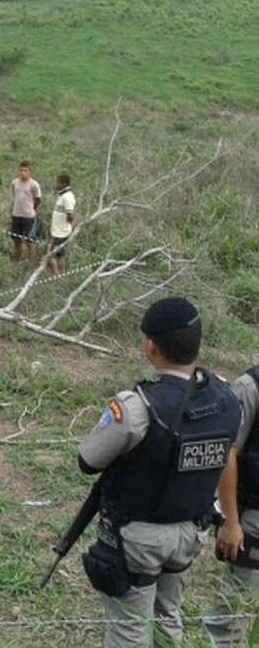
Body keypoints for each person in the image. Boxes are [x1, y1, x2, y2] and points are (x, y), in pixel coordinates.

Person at [77, 297, 240, 648]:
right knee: (168, 619)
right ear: (198, 340)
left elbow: (88, 460)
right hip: (190, 535)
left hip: (138, 537)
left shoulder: (137, 406)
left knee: (130, 631)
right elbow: (227, 455)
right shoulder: (227, 399)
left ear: (151, 347)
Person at [205, 365, 259, 646]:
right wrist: (230, 520)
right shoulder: (250, 387)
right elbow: (228, 454)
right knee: (232, 615)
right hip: (252, 517)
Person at [10, 160, 41, 269]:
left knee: (30, 243)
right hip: (16, 215)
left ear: (29, 172)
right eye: (21, 170)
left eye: (25, 171)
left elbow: (38, 199)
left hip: (29, 217)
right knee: (17, 241)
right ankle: (15, 263)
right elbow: (14, 195)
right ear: (18, 171)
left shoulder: (34, 185)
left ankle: (31, 267)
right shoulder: (15, 183)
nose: (23, 173)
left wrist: (32, 209)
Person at [47, 173, 76, 275]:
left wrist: (69, 225)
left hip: (61, 232)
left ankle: (56, 274)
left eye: (57, 182)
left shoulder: (67, 197)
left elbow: (70, 215)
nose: (55, 184)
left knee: (50, 255)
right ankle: (62, 273)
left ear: (63, 184)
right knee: (60, 254)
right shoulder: (62, 195)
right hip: (58, 230)